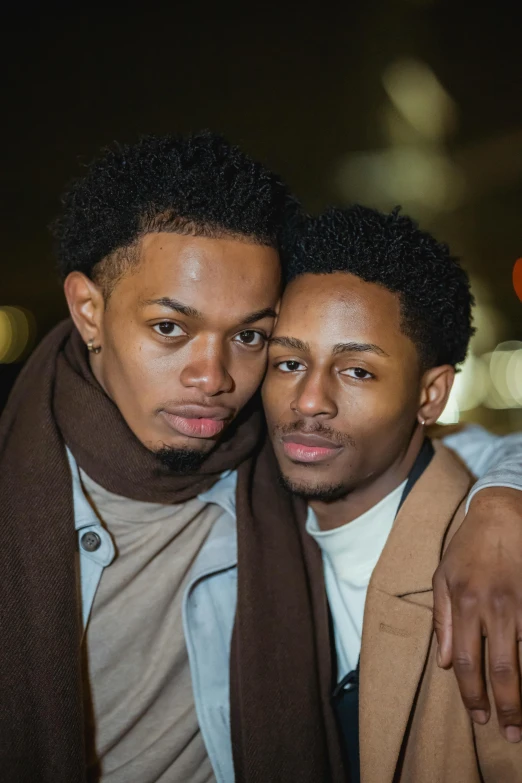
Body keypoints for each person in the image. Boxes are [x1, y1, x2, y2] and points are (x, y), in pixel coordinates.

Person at [0, 133, 520, 783]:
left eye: (250, 336)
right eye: (171, 327)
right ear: (88, 310)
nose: (213, 376)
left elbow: (445, 447)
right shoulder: (25, 485)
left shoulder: (270, 451)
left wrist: (501, 502)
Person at [260, 204, 522, 781]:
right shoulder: (249, 528)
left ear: (431, 396)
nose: (309, 400)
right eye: (287, 361)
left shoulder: (497, 585)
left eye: (358, 371)